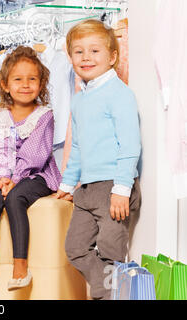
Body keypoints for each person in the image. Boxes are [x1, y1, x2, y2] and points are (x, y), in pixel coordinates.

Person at [52, 20, 142, 300]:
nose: (86, 58)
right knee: (75, 247)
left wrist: (121, 189)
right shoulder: (80, 100)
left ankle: (108, 295)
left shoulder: (120, 94)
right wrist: (67, 184)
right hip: (87, 190)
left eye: (94, 51)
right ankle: (107, 291)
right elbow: (77, 146)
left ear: (112, 56)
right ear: (70, 58)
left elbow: (130, 145)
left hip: (114, 188)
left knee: (110, 250)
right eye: (78, 52)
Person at [0, 46, 61, 294]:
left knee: (16, 198)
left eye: (32, 79)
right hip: (5, 174)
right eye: (18, 79)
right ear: (5, 84)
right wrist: (4, 177)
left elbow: (35, 154)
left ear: (41, 84)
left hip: (37, 174)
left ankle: (21, 265)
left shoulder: (44, 115)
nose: (25, 85)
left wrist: (15, 179)